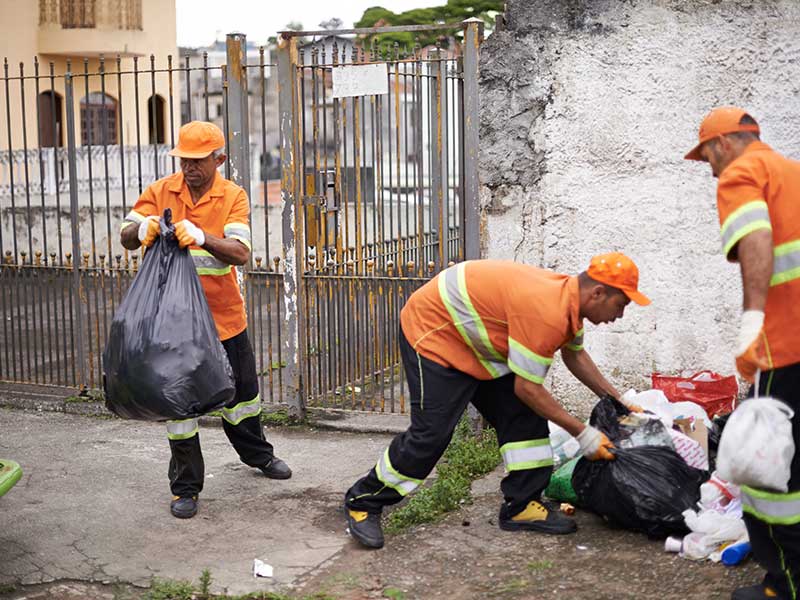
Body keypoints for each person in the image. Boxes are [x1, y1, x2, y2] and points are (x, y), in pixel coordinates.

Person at [343, 253, 651, 549]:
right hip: (435, 330)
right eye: (621, 304)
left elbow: (575, 355)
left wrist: (618, 400)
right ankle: (364, 500)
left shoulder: (568, 303)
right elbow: (527, 389)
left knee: (523, 418)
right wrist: (583, 434)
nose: (620, 315)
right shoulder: (547, 311)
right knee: (431, 434)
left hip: (476, 339)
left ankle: (521, 506)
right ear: (598, 293)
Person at [120, 121, 292, 519]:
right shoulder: (163, 190)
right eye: (184, 160)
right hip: (173, 328)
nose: (189, 168)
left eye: (198, 160)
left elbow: (240, 252)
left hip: (224, 320)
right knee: (179, 409)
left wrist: (200, 236)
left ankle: (259, 456)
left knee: (242, 399)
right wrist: (142, 228)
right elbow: (126, 234)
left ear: (219, 159)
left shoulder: (232, 196)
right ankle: (186, 489)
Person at [685, 106, 800, 600]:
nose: (708, 167)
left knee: (770, 472)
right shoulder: (791, 172)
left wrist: (752, 321)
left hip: (786, 345)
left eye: (705, 155)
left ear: (723, 144)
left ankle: (785, 583)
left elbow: (756, 241)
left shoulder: (740, 173)